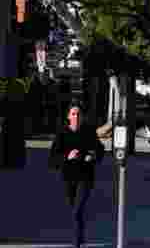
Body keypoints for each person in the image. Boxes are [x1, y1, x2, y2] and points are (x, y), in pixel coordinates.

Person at [49, 102, 104, 248]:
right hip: (68, 178)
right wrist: (67, 156)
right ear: (68, 116)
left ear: (83, 117)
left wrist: (93, 156)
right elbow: (52, 159)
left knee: (77, 210)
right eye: (73, 114)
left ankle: (77, 243)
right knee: (75, 211)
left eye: (79, 114)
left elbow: (100, 150)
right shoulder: (62, 133)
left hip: (85, 177)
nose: (76, 117)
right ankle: (80, 236)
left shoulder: (89, 132)